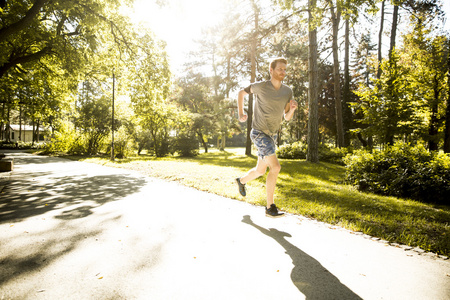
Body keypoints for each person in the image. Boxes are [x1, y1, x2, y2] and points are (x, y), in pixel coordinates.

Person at [236, 57, 298, 218]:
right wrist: (241, 113)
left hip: (271, 136)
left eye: (285, 69)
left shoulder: (287, 91)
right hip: (258, 132)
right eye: (280, 69)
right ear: (271, 70)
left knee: (260, 170)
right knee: (276, 168)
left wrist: (291, 110)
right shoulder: (261, 86)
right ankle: (270, 207)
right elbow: (241, 93)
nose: (283, 72)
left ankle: (241, 181)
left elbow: (286, 117)